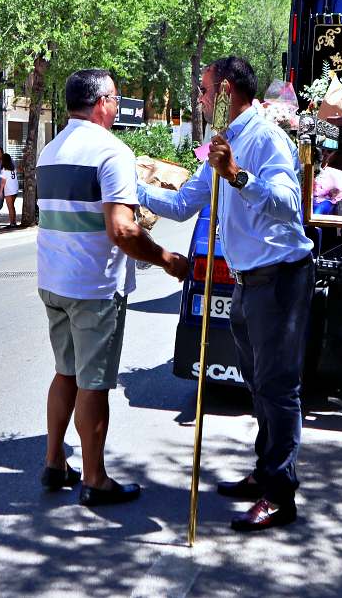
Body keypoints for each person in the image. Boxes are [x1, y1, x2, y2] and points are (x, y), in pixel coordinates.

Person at [139, 56, 315, 532]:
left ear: (226, 91)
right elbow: (180, 205)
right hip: (246, 281)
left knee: (278, 390)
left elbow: (287, 205)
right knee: (257, 384)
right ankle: (265, 472)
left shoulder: (265, 138)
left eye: (204, 88)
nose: (199, 96)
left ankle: (281, 495)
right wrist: (127, 185)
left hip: (279, 278)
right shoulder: (223, 142)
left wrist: (237, 173)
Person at [36, 68, 190, 507]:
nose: (118, 106)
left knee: (65, 372)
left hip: (54, 281)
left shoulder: (49, 151)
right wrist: (166, 259)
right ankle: (95, 478)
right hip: (94, 286)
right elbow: (122, 230)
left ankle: (53, 463)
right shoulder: (111, 151)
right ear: (103, 102)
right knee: (94, 383)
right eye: (117, 99)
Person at [0, 152, 20, 227]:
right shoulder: (13, 168)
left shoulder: (4, 169)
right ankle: (13, 222)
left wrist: (1, 192)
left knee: (10, 207)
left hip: (9, 190)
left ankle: (12, 223)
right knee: (12, 206)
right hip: (15, 189)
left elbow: (3, 182)